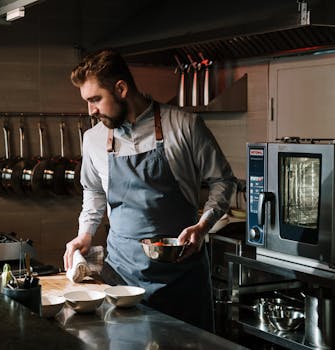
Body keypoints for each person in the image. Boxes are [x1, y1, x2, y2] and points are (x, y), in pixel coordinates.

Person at [63, 49, 236, 331]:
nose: (90, 111)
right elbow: (93, 192)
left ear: (121, 88)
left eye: (95, 100)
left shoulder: (184, 125)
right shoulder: (93, 139)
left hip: (181, 277)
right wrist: (85, 233)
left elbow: (223, 180)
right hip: (121, 276)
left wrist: (203, 226)